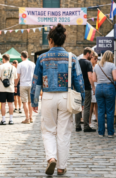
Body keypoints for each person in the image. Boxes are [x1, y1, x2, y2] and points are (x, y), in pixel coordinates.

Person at [31, 24, 85, 175]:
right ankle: (61, 167)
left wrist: (34, 101)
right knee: (64, 132)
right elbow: (79, 81)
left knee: (48, 130)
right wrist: (81, 99)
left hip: (48, 97)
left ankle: (51, 158)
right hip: (65, 97)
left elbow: (36, 82)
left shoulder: (42, 58)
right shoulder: (72, 58)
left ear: (51, 40)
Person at [93, 50, 116, 137]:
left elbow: (94, 79)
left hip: (99, 88)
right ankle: (110, 133)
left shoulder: (97, 65)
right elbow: (114, 77)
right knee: (110, 111)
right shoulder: (112, 65)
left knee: (100, 111)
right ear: (111, 57)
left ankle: (101, 132)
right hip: (109, 87)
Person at [75, 47, 96, 132]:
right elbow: (90, 76)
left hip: (77, 87)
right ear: (87, 53)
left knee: (77, 106)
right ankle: (86, 126)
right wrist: (93, 87)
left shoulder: (77, 62)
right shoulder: (88, 63)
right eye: (91, 54)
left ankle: (77, 126)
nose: (92, 56)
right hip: (86, 87)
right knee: (86, 106)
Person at [0, 54, 18, 125]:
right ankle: (11, 120)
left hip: (2, 88)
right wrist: (15, 86)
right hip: (10, 87)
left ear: (3, 59)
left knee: (3, 104)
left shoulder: (1, 67)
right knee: (10, 103)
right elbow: (15, 78)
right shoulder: (13, 67)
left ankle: (3, 120)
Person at [15, 51, 35, 124]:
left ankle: (27, 118)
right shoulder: (32, 64)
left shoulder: (20, 64)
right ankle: (31, 117)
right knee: (30, 102)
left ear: (22, 56)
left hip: (23, 84)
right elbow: (35, 75)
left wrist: (15, 85)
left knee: (25, 102)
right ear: (27, 56)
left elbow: (18, 76)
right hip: (31, 84)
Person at [89, 52, 98, 127]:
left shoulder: (97, 66)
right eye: (95, 58)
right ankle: (89, 122)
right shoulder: (89, 66)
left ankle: (98, 121)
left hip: (97, 86)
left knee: (97, 105)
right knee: (91, 105)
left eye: (97, 58)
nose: (96, 60)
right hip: (91, 87)